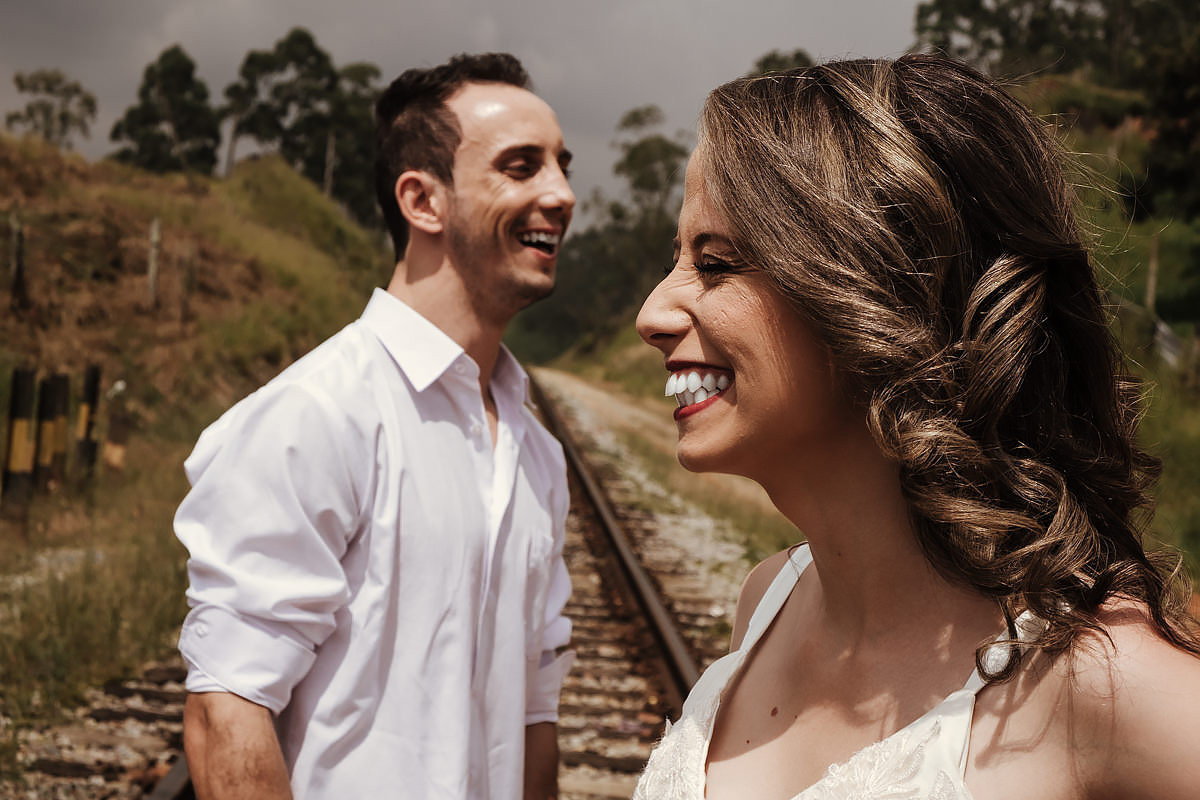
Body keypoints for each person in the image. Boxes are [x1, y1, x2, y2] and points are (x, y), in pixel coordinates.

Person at [632, 55, 1200, 799]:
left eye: (715, 263)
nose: (652, 314)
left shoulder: (1101, 683)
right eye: (677, 258)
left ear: (872, 291)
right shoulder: (767, 601)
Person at [175, 52, 576, 799]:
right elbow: (226, 707)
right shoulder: (318, 415)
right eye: (522, 167)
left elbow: (534, 714)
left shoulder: (538, 453)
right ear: (423, 201)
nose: (561, 194)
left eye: (561, 165)